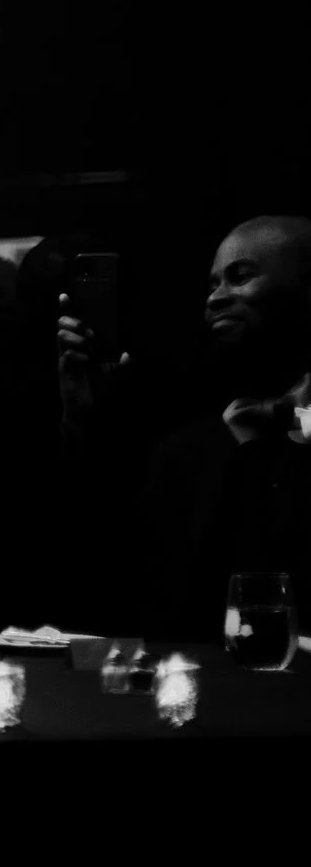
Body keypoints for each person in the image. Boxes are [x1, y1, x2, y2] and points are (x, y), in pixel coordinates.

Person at [60, 215, 311, 638]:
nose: (216, 298)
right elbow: (116, 580)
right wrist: (84, 420)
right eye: (213, 284)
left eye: (241, 276)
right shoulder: (185, 449)